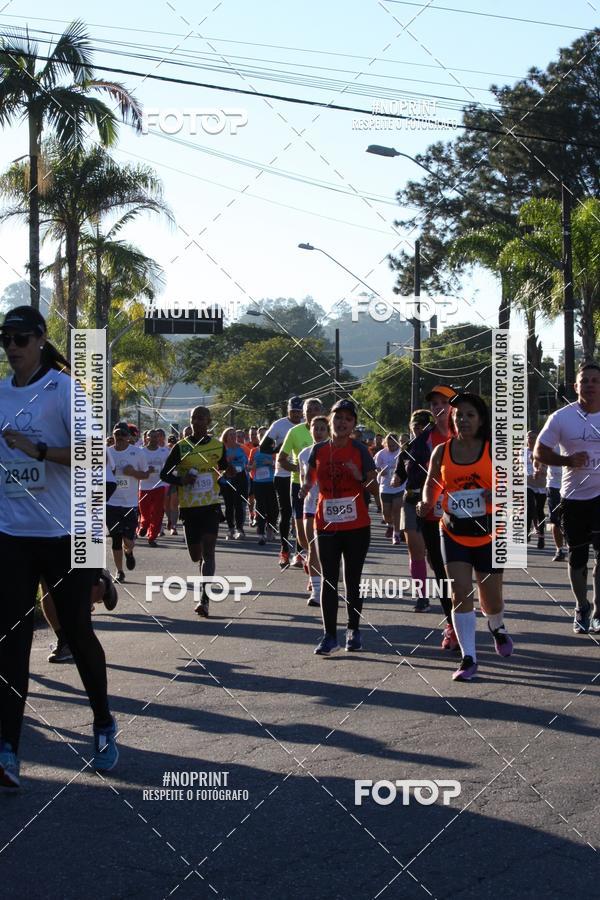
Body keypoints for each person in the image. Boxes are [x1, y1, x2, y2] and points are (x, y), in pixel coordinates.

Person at [0, 306, 118, 786]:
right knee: (11, 640)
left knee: (77, 632)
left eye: (21, 339)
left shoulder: (68, 391)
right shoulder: (0, 393)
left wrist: (40, 451)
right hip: (11, 534)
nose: (11, 347)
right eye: (5, 339)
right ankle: (8, 748)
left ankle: (104, 723)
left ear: (40, 339)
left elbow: (95, 456)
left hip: (65, 534)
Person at [418, 392, 513, 681]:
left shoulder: (493, 449)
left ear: (480, 419)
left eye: (470, 414)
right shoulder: (442, 452)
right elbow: (432, 484)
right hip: (453, 531)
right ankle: (468, 657)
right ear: (451, 419)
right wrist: (425, 502)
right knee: (460, 593)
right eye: (458, 414)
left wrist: (495, 495)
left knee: (491, 601)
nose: (463, 419)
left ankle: (496, 626)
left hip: (490, 532)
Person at [301, 399, 379, 654]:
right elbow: (309, 478)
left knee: (352, 579)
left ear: (353, 423)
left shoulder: (360, 450)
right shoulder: (319, 450)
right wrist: (304, 488)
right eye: (338, 417)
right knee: (329, 580)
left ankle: (353, 630)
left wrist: (359, 476)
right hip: (326, 524)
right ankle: (329, 636)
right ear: (330, 420)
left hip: (357, 525)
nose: (342, 422)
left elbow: (373, 488)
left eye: (348, 418)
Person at [535, 362, 600, 634]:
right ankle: (581, 606)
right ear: (576, 386)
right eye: (584, 380)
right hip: (573, 499)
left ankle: (599, 608)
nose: (590, 385)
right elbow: (539, 451)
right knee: (577, 558)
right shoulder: (562, 417)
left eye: (595, 380)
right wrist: (567, 459)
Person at [160, 407, 231, 617]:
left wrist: (227, 473)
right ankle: (202, 575)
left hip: (210, 505)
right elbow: (164, 474)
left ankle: (204, 600)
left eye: (201, 418)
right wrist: (181, 480)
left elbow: (224, 467)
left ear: (209, 421)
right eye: (193, 419)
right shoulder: (181, 448)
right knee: (196, 556)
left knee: (209, 553)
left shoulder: (218, 446)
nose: (196, 422)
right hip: (189, 508)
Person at [278, 397, 324, 570]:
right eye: (309, 410)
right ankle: (307, 552)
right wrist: (298, 468)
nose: (312, 412)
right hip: (300, 485)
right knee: (302, 531)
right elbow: (282, 459)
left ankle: (315, 562)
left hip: (324, 487)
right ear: (303, 414)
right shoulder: (295, 432)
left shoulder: (329, 431)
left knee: (321, 527)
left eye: (316, 409)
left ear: (322, 412)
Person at [106, 423, 151, 581]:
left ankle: (129, 552)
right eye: (117, 434)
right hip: (110, 503)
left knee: (128, 540)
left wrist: (132, 472)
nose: (119, 438)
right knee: (116, 539)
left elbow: (145, 475)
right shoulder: (107, 452)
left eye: (123, 435)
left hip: (129, 503)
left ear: (129, 437)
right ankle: (119, 571)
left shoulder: (136, 453)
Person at [266, 396, 303, 568]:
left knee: (301, 515)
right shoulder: (278, 425)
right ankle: (284, 550)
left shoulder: (308, 425)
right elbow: (263, 447)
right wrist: (279, 447)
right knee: (286, 512)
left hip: (302, 477)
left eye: (298, 412)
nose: (296, 415)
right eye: (293, 411)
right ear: (288, 410)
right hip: (282, 475)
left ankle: (301, 553)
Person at [298, 415, 330, 606]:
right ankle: (317, 592)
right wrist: (304, 489)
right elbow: (304, 478)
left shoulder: (334, 452)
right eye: (315, 428)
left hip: (332, 508)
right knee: (312, 548)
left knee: (330, 550)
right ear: (310, 430)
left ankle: (329, 582)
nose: (318, 432)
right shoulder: (303, 454)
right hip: (310, 506)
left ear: (328, 431)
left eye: (322, 429)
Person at [137, 429, 170, 547]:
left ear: (160, 438)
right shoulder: (140, 452)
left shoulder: (164, 451)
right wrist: (145, 471)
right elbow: (136, 468)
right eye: (152, 436)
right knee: (144, 511)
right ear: (147, 438)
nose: (155, 439)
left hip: (159, 486)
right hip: (144, 486)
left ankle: (152, 537)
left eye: (157, 437)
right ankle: (144, 525)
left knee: (157, 513)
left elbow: (171, 466)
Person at [374, 433, 404, 544]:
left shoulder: (402, 453)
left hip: (399, 487)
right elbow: (375, 466)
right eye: (390, 445)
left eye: (394, 445)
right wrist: (380, 472)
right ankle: (390, 525)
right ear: (386, 444)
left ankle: (396, 534)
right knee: (386, 513)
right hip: (385, 487)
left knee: (397, 509)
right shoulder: (381, 454)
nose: (392, 448)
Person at [220, 427, 249, 539]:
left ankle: (239, 529)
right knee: (229, 505)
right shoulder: (221, 448)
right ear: (225, 436)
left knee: (239, 504)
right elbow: (218, 464)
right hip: (226, 479)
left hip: (240, 478)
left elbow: (245, 463)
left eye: (234, 434)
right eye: (230, 434)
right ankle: (230, 528)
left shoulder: (241, 448)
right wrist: (227, 461)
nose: (233, 436)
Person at [249, 435, 278, 545]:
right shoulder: (256, 452)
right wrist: (252, 467)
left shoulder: (273, 452)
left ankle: (268, 530)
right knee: (263, 507)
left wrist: (271, 463)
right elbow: (250, 466)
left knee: (272, 508)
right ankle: (261, 533)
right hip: (260, 483)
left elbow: (280, 466)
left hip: (269, 483)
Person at [526, 430, 547, 549]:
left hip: (540, 484)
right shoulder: (521, 452)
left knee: (539, 510)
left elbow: (547, 469)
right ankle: (527, 533)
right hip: (527, 484)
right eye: (528, 437)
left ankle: (541, 537)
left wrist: (539, 471)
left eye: (533, 437)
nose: (530, 439)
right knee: (530, 507)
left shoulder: (542, 452)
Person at [546, 451, 565, 562]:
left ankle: (572, 545)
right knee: (555, 519)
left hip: (572, 485)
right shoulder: (549, 439)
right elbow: (537, 456)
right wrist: (536, 466)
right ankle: (559, 550)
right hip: (553, 485)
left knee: (571, 518)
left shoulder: (575, 438)